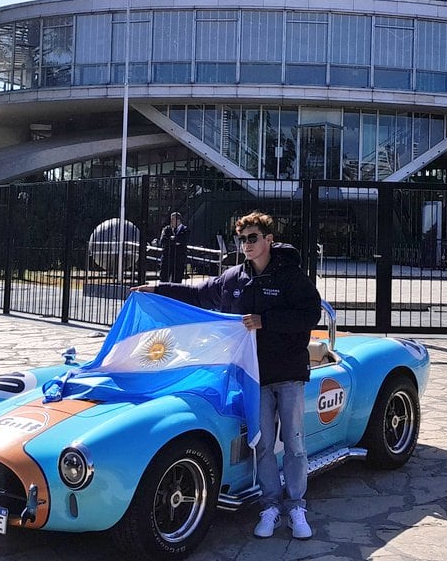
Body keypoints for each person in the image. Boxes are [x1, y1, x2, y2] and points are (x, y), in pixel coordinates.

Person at [134, 210, 321, 540]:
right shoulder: (234, 278)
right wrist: (157, 288)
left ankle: (296, 507)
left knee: (294, 443)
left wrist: (266, 321)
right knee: (262, 444)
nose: (246, 245)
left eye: (253, 238)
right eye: (242, 239)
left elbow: (310, 313)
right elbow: (198, 293)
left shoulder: (290, 275)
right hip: (253, 377)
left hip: (289, 372)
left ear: (268, 240)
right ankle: (270, 506)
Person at [158, 211, 189, 283]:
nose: (171, 221)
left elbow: (183, 240)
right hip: (167, 258)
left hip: (179, 259)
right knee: (163, 280)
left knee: (177, 281)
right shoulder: (167, 229)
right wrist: (175, 241)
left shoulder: (185, 230)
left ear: (178, 220)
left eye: (173, 220)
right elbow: (163, 240)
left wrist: (172, 240)